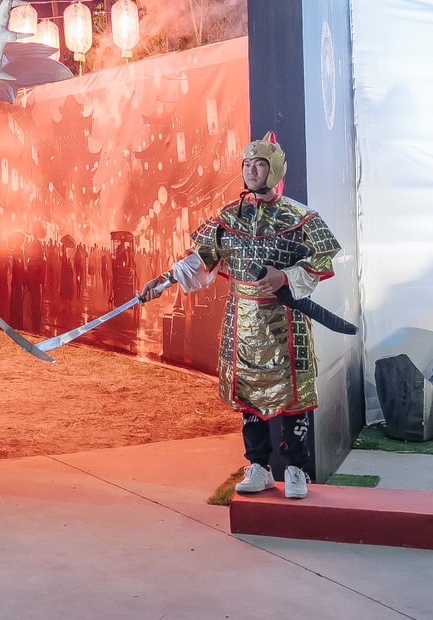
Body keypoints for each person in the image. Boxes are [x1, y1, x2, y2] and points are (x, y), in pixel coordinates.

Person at [140, 133, 341, 499]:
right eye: (247, 164)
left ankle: (296, 469)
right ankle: (259, 466)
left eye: (259, 164)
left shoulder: (301, 217)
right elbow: (201, 260)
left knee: (293, 395)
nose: (251, 171)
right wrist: (166, 279)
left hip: (286, 321)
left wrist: (284, 276)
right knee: (247, 393)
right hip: (242, 322)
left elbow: (320, 261)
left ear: (274, 169)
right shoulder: (228, 217)